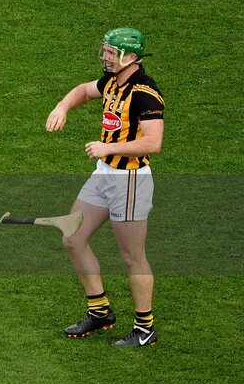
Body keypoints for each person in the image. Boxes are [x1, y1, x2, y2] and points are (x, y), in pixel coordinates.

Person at [46, 28, 165, 348]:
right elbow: (84, 91)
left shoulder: (145, 93)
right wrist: (62, 106)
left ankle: (145, 327)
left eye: (111, 53)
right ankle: (100, 311)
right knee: (73, 238)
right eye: (105, 51)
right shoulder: (113, 82)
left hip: (129, 181)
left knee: (131, 257)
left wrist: (107, 149)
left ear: (129, 57)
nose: (105, 57)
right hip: (104, 175)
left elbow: (154, 143)